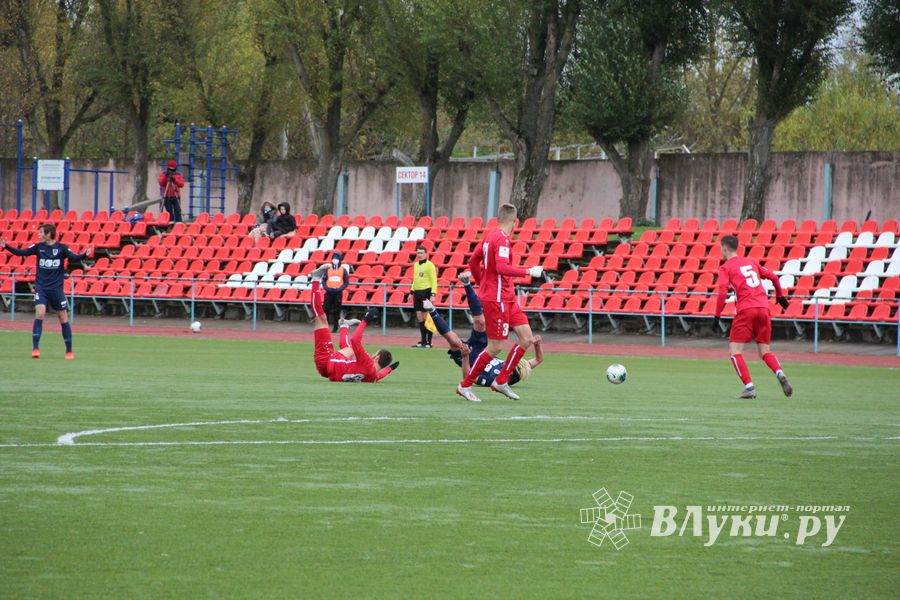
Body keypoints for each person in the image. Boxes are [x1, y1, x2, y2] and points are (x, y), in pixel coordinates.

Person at [457, 203, 544, 401]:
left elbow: (473, 262)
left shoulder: (489, 237)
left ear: (498, 219)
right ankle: (465, 385)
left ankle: (501, 381)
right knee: (495, 346)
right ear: (516, 221)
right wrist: (529, 271)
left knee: (526, 338)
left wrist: (482, 282)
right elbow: (502, 268)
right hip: (497, 299)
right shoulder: (502, 239)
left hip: (508, 297)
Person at [421, 272, 544, 402]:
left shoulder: (492, 378)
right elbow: (539, 359)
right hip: (484, 349)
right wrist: (537, 344)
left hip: (469, 358)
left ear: (513, 373)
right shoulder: (516, 366)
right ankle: (467, 284)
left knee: (454, 341)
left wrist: (465, 357)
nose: (516, 362)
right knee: (481, 322)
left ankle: (432, 311)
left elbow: (469, 376)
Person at [713, 234, 793, 399]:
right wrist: (780, 296)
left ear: (725, 248)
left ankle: (749, 387)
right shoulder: (751, 262)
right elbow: (773, 277)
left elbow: (722, 292)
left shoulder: (725, 267)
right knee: (764, 351)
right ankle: (780, 373)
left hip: (746, 309)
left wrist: (717, 316)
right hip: (764, 308)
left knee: (735, 351)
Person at [0, 223, 94, 359]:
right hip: (41, 288)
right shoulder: (38, 247)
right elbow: (22, 253)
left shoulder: (61, 248)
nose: (39, 235)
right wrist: (6, 246)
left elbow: (74, 257)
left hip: (56, 289)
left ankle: (69, 351)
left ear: (49, 234)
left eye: (41, 232)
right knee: (40, 314)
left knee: (63, 318)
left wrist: (85, 254)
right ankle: (35, 349)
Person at [308, 265, 398, 383]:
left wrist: (366, 319)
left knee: (321, 318)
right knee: (350, 349)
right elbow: (380, 374)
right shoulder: (372, 377)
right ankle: (344, 326)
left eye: (375, 354)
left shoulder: (368, 363)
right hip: (329, 368)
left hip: (327, 360)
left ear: (377, 357)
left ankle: (315, 279)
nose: (372, 355)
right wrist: (390, 368)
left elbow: (355, 340)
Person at [408, 245, 438, 348]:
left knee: (427, 317)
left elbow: (434, 280)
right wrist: (411, 292)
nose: (419, 255)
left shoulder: (430, 265)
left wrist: (433, 294)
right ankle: (423, 341)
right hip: (417, 293)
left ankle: (429, 342)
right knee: (419, 317)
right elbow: (415, 279)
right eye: (418, 253)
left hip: (426, 292)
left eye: (421, 253)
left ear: (426, 254)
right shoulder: (416, 265)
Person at [321, 252, 350, 333]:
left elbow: (346, 282)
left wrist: (340, 289)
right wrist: (327, 288)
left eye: (337, 258)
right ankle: (324, 326)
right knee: (325, 309)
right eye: (334, 258)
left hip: (338, 293)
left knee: (336, 311)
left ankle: (335, 327)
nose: (335, 260)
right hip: (329, 292)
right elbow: (323, 280)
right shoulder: (328, 269)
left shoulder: (343, 270)